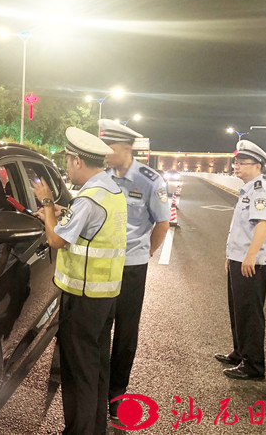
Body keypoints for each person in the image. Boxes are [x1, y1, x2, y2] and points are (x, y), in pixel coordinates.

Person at [32, 126, 127, 434]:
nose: (68, 167)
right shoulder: (110, 190)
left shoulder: (88, 198)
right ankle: (94, 428)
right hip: (104, 296)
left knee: (78, 373)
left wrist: (47, 204)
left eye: (68, 160)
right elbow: (88, 225)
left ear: (77, 161)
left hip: (83, 297)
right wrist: (64, 211)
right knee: (96, 369)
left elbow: (56, 240)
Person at [98, 119, 170, 419]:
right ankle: (97, 388)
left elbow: (162, 223)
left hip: (131, 268)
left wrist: (146, 252)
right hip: (101, 264)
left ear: (127, 148)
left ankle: (116, 394)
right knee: (99, 327)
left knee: (125, 332)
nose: (104, 152)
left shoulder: (150, 180)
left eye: (109, 147)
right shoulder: (101, 176)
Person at [215, 140, 266, 380]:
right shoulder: (248, 190)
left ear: (257, 165)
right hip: (239, 259)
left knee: (250, 313)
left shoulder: (261, 190)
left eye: (242, 162)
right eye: (236, 162)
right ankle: (240, 353)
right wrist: (232, 257)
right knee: (238, 309)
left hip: (252, 262)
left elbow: (263, 224)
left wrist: (250, 255)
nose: (236, 166)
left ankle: (253, 366)